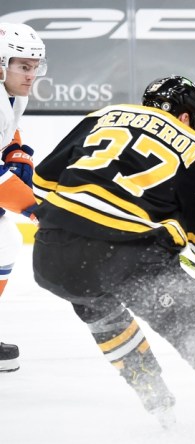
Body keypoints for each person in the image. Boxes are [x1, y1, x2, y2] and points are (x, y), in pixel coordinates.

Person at [31, 76, 195, 443]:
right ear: (187, 118)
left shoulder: (105, 115)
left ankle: (154, 398)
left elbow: (42, 183)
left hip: (51, 255)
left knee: (94, 297)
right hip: (128, 259)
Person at [0, 23, 46, 372]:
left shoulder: (15, 93)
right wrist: (34, 208)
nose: (31, 75)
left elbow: (7, 130)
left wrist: (16, 151)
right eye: (23, 66)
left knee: (4, 244)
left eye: (35, 66)